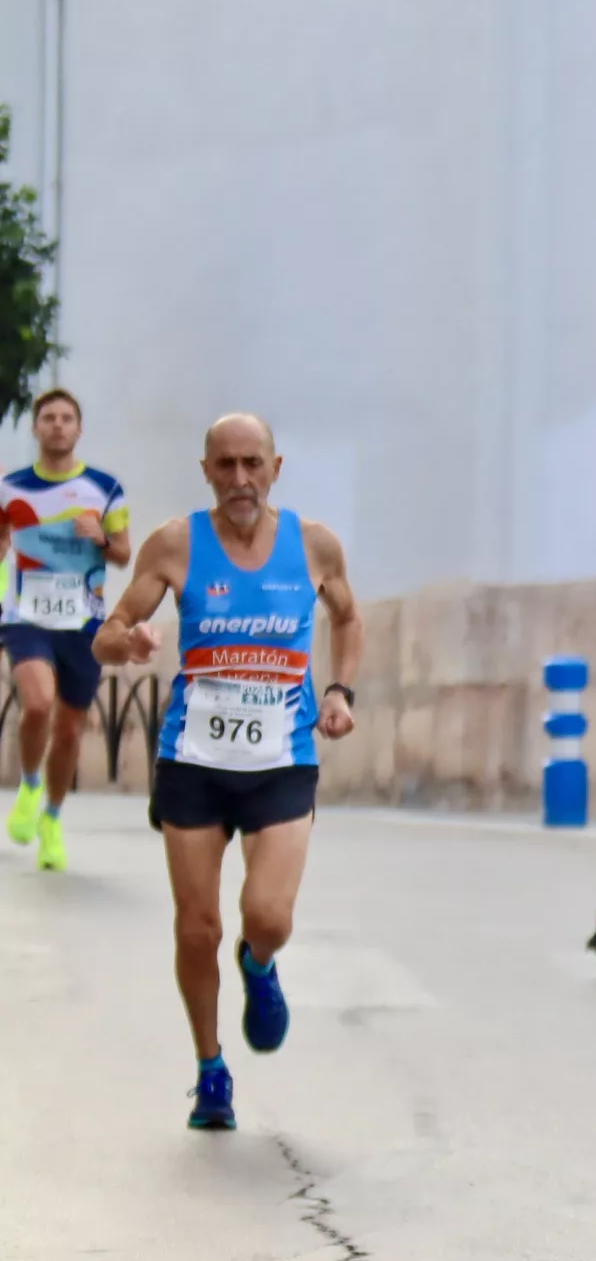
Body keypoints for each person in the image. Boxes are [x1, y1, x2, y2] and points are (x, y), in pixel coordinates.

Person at [95, 414, 362, 1133]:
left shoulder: (314, 545)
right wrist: (132, 640)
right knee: (195, 926)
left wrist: (339, 692)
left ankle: (260, 963)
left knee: (268, 918)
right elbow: (105, 634)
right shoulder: (175, 543)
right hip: (195, 761)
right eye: (226, 466)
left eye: (253, 464)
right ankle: (210, 1069)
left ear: (277, 467)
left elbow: (347, 617)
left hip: (281, 759)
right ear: (206, 470)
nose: (240, 479)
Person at [4, 387, 132, 870]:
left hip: (83, 621)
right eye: (49, 418)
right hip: (26, 615)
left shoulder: (105, 488)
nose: (57, 425)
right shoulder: (11, 487)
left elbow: (123, 553)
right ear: (35, 428)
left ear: (79, 429)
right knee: (36, 705)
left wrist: (102, 538)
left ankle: (52, 819)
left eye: (67, 418)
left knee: (71, 729)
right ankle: (30, 785)